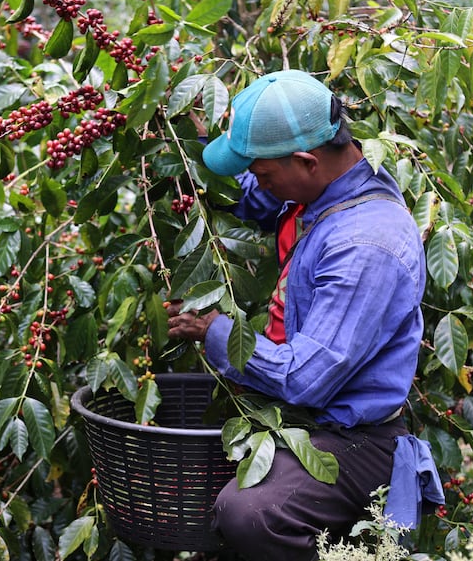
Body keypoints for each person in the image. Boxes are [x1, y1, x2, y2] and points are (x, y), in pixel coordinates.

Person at [166, 70, 443, 560]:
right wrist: (197, 139)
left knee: (250, 512)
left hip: (354, 437)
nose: (261, 183)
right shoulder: (323, 189)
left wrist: (214, 331)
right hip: (298, 412)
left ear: (306, 162)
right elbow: (251, 194)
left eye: (264, 173)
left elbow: (306, 379)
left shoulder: (365, 246)